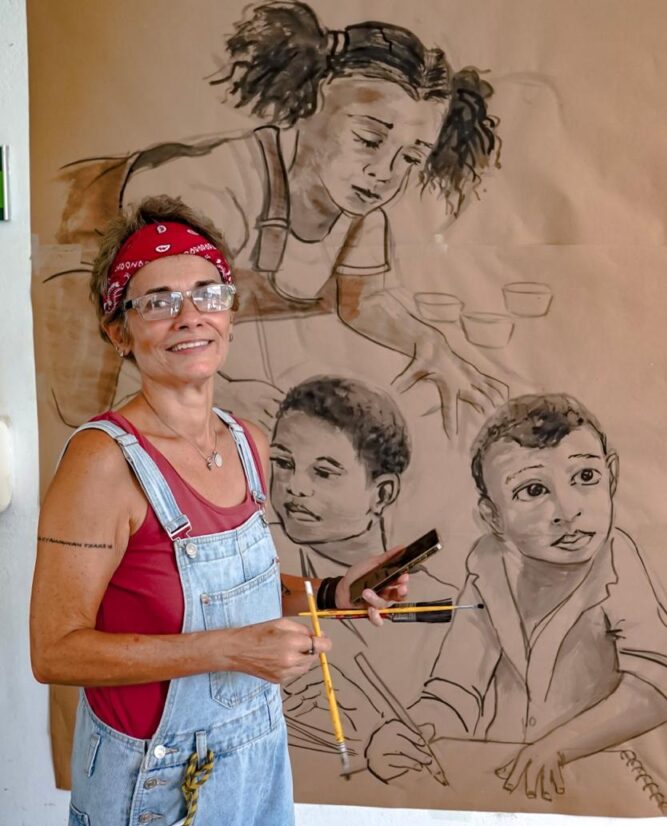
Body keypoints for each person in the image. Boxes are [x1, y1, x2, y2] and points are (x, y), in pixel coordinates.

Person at [29, 195, 408, 826]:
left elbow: (230, 591)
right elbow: (55, 652)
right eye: (158, 302)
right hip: (155, 780)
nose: (189, 317)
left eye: (207, 294)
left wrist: (335, 591)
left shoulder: (247, 441)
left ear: (230, 314)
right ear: (119, 332)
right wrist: (233, 650)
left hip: (257, 757)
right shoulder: (103, 462)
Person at [51, 1, 505, 436]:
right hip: (84, 301)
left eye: (409, 158)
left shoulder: (359, 209)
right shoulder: (208, 186)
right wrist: (219, 395)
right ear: (312, 104)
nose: (383, 172)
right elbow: (157, 316)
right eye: (368, 139)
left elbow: (362, 301)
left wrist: (431, 345)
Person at [365, 393, 667, 801]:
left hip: (602, 788)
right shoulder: (489, 568)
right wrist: (412, 732)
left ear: (611, 476)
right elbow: (455, 690)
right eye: (534, 490)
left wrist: (560, 745)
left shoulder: (616, 560)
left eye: (586, 477)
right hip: (505, 784)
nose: (568, 511)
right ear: (493, 517)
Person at [268, 375, 455, 765]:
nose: (294, 486)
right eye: (283, 463)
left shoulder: (438, 602)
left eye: (324, 472)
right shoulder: (251, 552)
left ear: (382, 493)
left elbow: (453, 705)